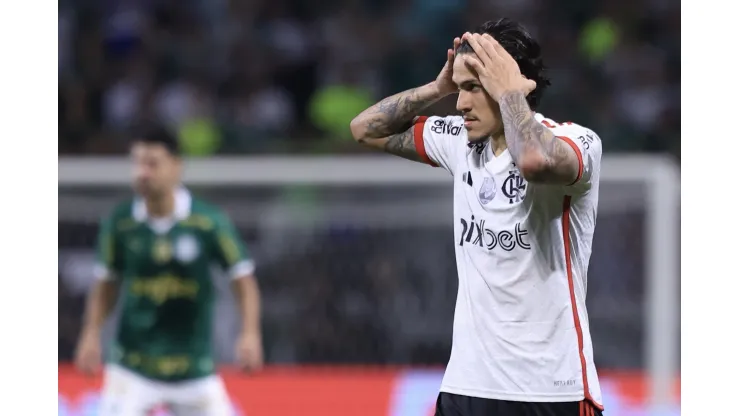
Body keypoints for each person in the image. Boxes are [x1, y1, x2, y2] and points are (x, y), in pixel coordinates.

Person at [350, 18, 604, 416]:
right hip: (468, 385)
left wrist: (510, 94)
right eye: (459, 88)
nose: (460, 103)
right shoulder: (461, 143)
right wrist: (437, 88)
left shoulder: (576, 143)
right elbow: (364, 129)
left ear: (510, 85)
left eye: (473, 88)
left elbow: (534, 161)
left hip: (551, 391)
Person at [74, 126, 263, 416]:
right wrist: (91, 333)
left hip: (194, 370)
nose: (143, 173)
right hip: (133, 368)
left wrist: (249, 333)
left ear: (176, 166)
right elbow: (106, 284)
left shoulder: (208, 222)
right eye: (137, 163)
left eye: (152, 163)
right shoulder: (121, 223)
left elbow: (242, 277)